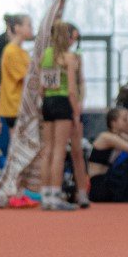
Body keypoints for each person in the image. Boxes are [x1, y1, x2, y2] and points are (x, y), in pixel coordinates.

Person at [37, 19, 87, 211]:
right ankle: (56, 194)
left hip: (48, 102)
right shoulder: (69, 57)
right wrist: (75, 113)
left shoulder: (45, 56)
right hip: (63, 102)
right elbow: (72, 90)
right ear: (67, 37)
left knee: (47, 150)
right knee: (59, 150)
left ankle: (46, 194)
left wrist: (46, 100)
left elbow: (41, 88)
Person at [0, 14, 34, 155]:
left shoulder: (22, 51)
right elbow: (27, 77)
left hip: (22, 105)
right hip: (14, 106)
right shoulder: (11, 51)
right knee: (19, 147)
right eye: (28, 25)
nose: (32, 28)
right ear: (17, 28)